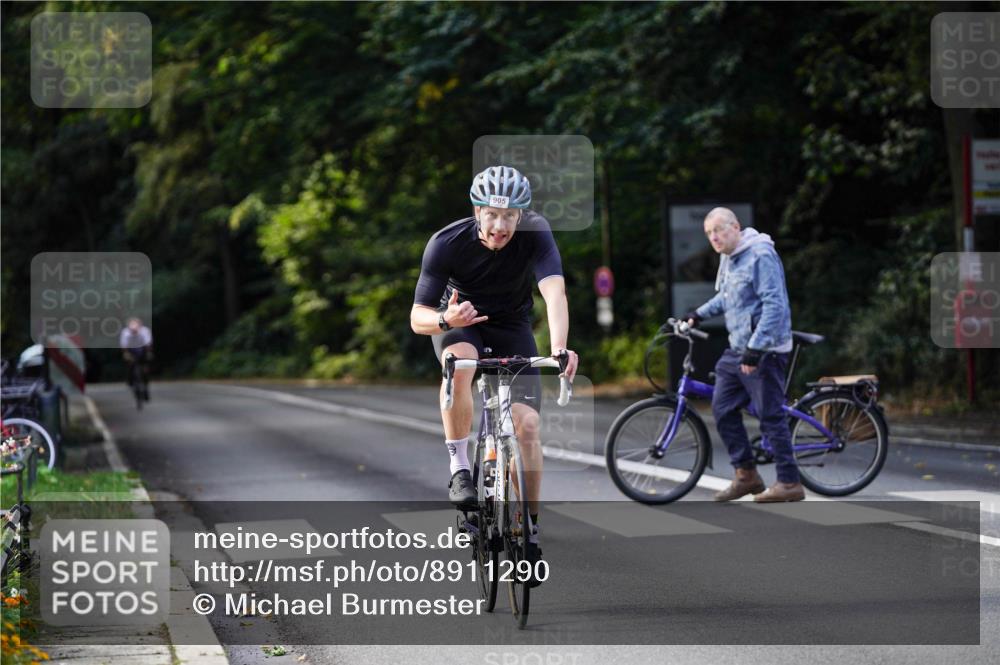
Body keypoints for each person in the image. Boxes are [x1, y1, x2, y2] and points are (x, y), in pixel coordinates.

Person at [410, 165, 579, 580]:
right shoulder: (446, 242)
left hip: (512, 327)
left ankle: (531, 533)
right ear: (477, 210)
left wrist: (560, 348)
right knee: (460, 366)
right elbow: (418, 317)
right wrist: (446, 320)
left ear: (522, 215)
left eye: (509, 216)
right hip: (462, 320)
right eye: (491, 215)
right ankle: (460, 470)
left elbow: (554, 293)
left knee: (528, 427)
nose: (500, 226)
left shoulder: (536, 233)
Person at [685, 207, 804, 502]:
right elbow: (727, 297)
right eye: (709, 233)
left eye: (719, 230)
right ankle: (746, 475)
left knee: (770, 415)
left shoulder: (760, 255)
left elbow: (775, 305)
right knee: (722, 408)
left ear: (735, 227)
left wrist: (756, 349)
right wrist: (697, 315)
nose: (714, 237)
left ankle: (789, 482)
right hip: (737, 348)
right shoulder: (729, 258)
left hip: (765, 350)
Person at [119, 317, 153, 402]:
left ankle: (145, 386)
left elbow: (148, 344)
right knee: (129, 365)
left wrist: (148, 353)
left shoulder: (144, 331)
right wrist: (126, 354)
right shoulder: (125, 332)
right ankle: (130, 380)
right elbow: (124, 345)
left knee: (145, 367)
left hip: (142, 350)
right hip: (131, 350)